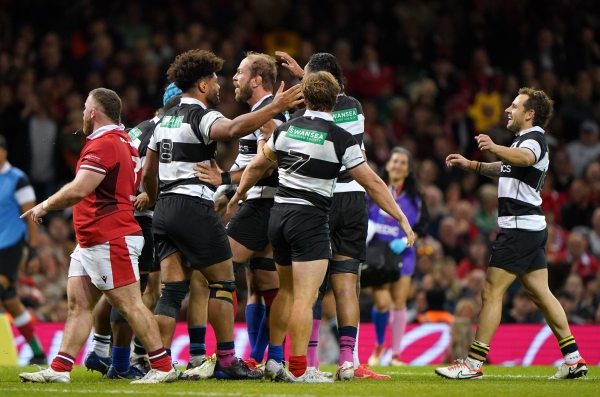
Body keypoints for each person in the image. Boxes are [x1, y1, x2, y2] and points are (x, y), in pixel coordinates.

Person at [228, 71, 415, 383]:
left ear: (308, 99)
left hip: (279, 217)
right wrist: (401, 217)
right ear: (334, 100)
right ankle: (300, 370)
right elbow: (371, 182)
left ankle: (275, 361)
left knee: (285, 292)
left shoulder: (286, 128)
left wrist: (237, 195)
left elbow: (257, 165)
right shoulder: (340, 137)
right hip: (310, 220)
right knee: (305, 296)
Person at [141, 49, 302, 380]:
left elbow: (147, 175)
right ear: (201, 84)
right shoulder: (204, 115)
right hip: (202, 205)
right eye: (215, 79)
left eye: (238, 73)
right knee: (222, 280)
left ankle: (160, 364)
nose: (223, 83)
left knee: (175, 288)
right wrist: (228, 183)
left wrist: (158, 199)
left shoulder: (164, 120)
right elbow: (231, 132)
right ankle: (224, 358)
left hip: (167, 209)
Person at [19, 88, 177, 384]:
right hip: (94, 239)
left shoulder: (104, 144)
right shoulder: (123, 142)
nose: (81, 112)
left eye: (84, 107)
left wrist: (44, 205)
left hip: (110, 237)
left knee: (130, 304)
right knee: (79, 306)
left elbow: (80, 189)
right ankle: (60, 368)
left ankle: (163, 366)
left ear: (93, 113)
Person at [435, 87, 588, 380]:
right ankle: (573, 359)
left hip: (519, 228)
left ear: (530, 114)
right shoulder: (523, 141)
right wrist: (474, 165)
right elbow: (509, 165)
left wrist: (493, 146)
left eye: (515, 106)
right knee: (541, 293)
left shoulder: (534, 140)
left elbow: (524, 159)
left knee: (492, 292)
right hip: (529, 227)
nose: (508, 109)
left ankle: (473, 363)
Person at [277, 50, 391, 380]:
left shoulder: (304, 115)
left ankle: (310, 363)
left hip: (320, 200)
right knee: (346, 285)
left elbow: (316, 102)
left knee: (309, 290)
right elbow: (325, 97)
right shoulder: (353, 108)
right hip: (353, 200)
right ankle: (347, 361)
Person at [192, 52, 288, 371]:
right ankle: (269, 359)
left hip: (264, 203)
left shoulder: (270, 116)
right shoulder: (257, 113)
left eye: (240, 73)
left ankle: (226, 358)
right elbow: (244, 162)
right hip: (264, 203)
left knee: (218, 271)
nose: (234, 78)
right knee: (265, 282)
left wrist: (226, 183)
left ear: (257, 79)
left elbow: (266, 163)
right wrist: (223, 189)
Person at [83, 89, 184, 379]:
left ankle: (102, 351)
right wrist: (143, 195)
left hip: (123, 217)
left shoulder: (136, 129)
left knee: (118, 291)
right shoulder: (165, 129)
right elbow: (142, 172)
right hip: (143, 218)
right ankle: (122, 361)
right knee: (136, 293)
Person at [366, 147, 429, 367]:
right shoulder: (374, 188)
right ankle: (379, 344)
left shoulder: (415, 196)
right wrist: (369, 227)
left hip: (403, 253)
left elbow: (423, 224)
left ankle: (395, 355)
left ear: (409, 169)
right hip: (377, 254)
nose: (397, 165)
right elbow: (362, 213)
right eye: (395, 161)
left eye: (403, 162)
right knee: (382, 302)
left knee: (399, 303)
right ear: (388, 164)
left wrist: (404, 241)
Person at [0, 134, 47, 366]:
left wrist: (34, 250)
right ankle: (38, 352)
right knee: (8, 299)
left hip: (10, 244)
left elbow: (31, 217)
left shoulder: (18, 179)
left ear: (4, 151)